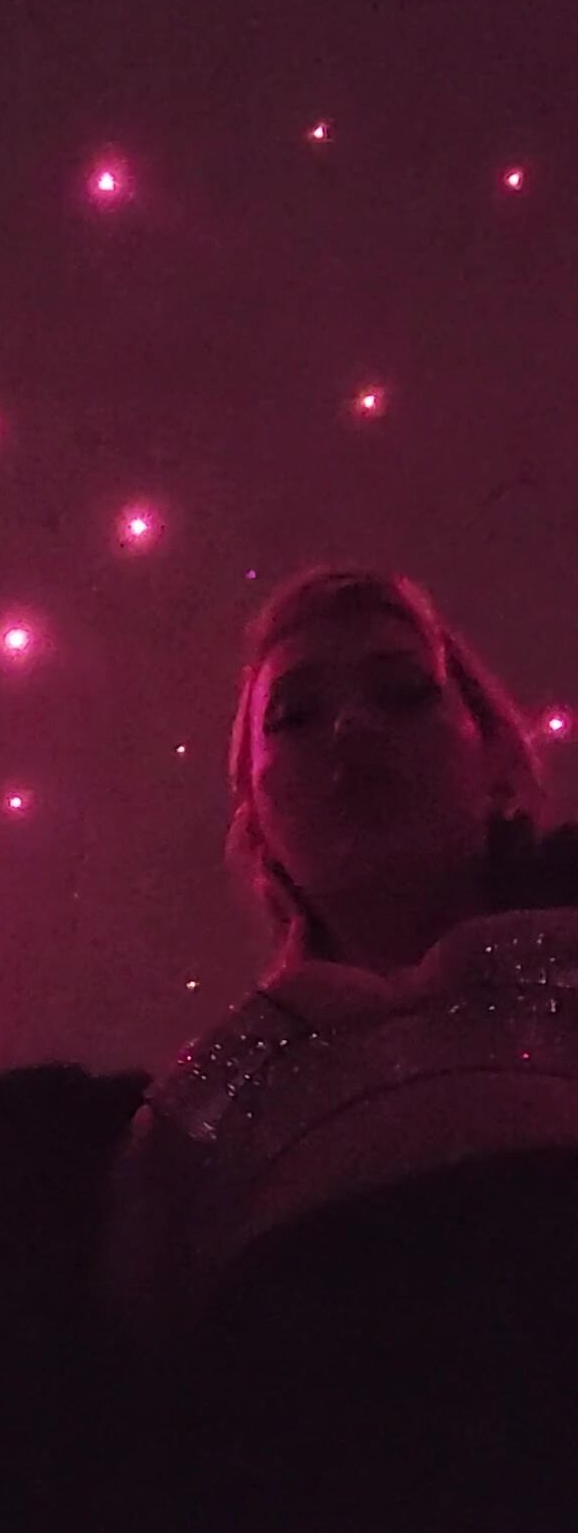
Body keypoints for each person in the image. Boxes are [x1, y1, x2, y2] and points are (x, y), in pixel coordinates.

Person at [102, 564, 578, 1342]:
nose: (351, 727)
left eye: (404, 692)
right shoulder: (198, 1122)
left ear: (495, 759)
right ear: (256, 819)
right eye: (295, 716)